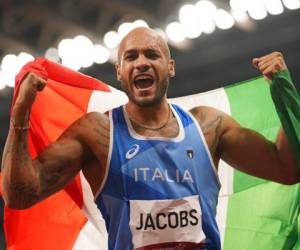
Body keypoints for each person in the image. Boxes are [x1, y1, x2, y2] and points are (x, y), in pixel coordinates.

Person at [1, 27, 299, 250]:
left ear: (170, 66)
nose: (141, 63)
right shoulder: (97, 134)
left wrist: (285, 94)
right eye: (131, 57)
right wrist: (21, 114)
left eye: (152, 54)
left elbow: (287, 168)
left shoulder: (209, 127)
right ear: (119, 71)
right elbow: (20, 194)